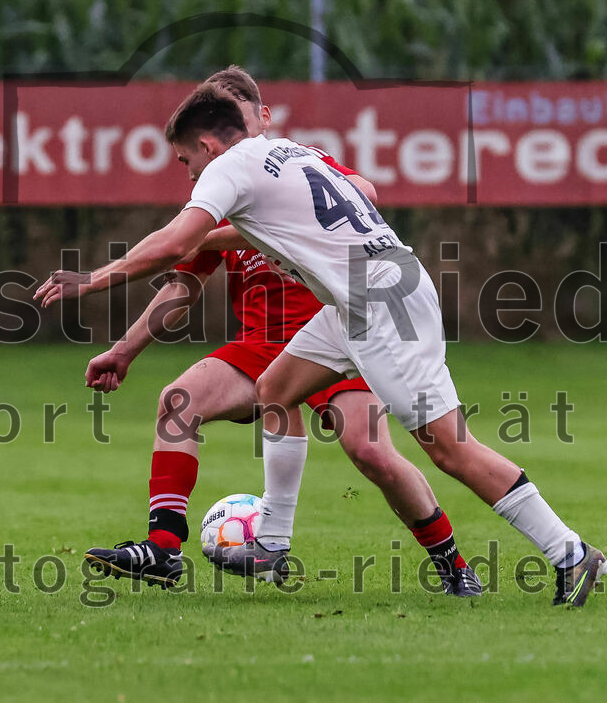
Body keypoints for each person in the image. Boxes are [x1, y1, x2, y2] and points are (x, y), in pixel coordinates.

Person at [35, 82, 606, 607]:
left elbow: (174, 246)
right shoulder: (291, 153)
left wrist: (91, 279)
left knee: (448, 448)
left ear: (207, 144)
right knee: (275, 390)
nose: (189, 176)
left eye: (187, 162)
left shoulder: (231, 168)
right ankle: (272, 543)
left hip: (383, 305)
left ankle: (569, 552)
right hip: (362, 299)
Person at [75, 68, 481, 596]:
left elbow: (362, 189)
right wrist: (124, 350)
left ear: (260, 118)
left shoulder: (289, 164)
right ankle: (163, 550)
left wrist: (225, 233)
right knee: (180, 401)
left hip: (335, 337)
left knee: (371, 451)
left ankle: (453, 565)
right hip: (261, 345)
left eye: (248, 114)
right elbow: (181, 286)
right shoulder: (215, 193)